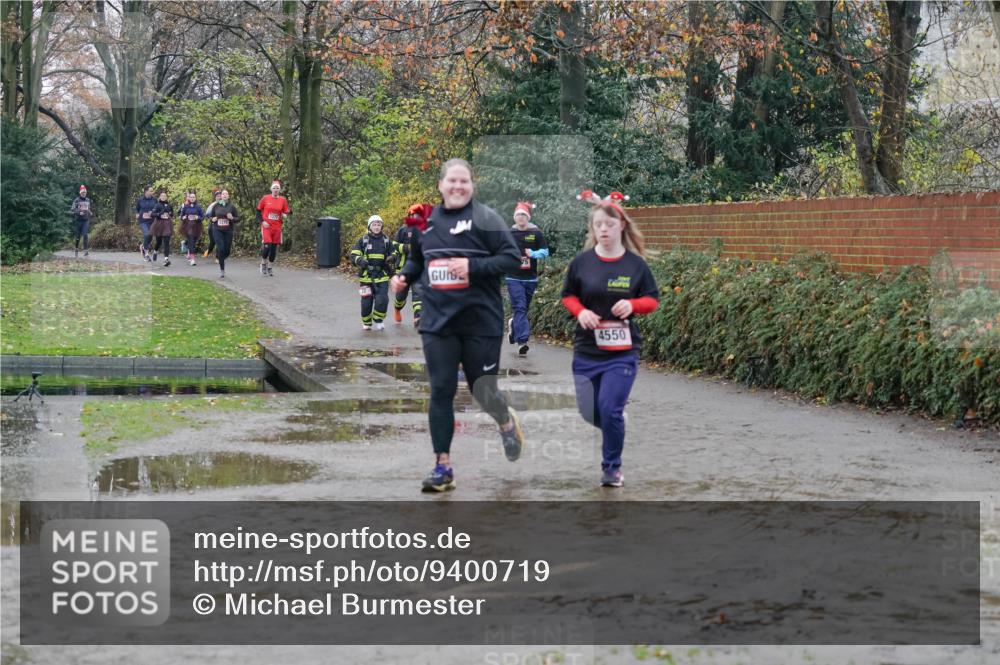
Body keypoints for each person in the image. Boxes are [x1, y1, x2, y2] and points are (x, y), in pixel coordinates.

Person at [390, 158, 526, 492]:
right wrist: (404, 278)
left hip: (480, 321)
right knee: (441, 390)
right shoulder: (426, 222)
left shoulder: (486, 218)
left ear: (472, 186)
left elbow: (511, 259)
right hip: (439, 322)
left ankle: (506, 422)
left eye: (464, 181)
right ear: (440, 185)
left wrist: (471, 267)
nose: (457, 186)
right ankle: (443, 466)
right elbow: (417, 259)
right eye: (452, 181)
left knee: (483, 390)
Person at [561, 190, 659, 488]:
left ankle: (611, 468)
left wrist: (633, 305)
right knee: (589, 411)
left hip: (622, 351)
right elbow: (568, 295)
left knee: (610, 408)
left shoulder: (635, 266)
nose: (603, 230)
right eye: (598, 225)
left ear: (621, 226)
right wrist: (580, 313)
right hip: (587, 350)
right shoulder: (582, 263)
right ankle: (615, 424)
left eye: (609, 224)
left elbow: (652, 299)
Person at [505, 201, 549, 356]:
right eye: (518, 215)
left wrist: (534, 254)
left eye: (524, 215)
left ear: (528, 217)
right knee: (520, 307)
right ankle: (522, 341)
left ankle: (513, 325)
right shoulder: (509, 233)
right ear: (515, 217)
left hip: (530, 278)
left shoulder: (536, 232)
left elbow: (545, 252)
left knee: (523, 309)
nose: (521, 218)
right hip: (513, 277)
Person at [350, 214, 400, 331]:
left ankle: (378, 319)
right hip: (365, 278)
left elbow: (395, 253)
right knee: (366, 302)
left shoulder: (386, 240)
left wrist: (392, 258)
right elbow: (353, 255)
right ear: (369, 226)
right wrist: (360, 260)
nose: (377, 227)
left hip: (381, 276)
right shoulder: (363, 240)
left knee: (382, 300)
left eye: (379, 224)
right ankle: (366, 322)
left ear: (381, 226)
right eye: (374, 224)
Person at [392, 203, 432, 326]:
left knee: (418, 292)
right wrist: (405, 248)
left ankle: (417, 318)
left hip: (420, 269)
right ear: (410, 215)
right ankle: (397, 309)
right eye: (415, 214)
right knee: (400, 295)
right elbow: (394, 244)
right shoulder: (403, 230)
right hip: (404, 267)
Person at [257, 179, 290, 276]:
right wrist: (263, 222)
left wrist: (285, 214)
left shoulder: (283, 200)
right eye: (274, 188)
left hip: (277, 227)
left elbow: (287, 210)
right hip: (267, 226)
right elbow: (258, 211)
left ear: (279, 190)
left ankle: (270, 267)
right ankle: (263, 263)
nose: (276, 189)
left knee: (274, 248)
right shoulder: (265, 198)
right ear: (271, 189)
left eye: (277, 188)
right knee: (267, 246)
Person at [210, 189, 238, 278]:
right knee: (221, 249)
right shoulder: (216, 206)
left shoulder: (232, 207)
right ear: (221, 196)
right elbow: (210, 216)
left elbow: (238, 219)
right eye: (223, 194)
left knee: (227, 251)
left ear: (228, 196)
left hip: (228, 230)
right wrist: (212, 219)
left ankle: (221, 257)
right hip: (217, 230)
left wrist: (232, 218)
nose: (225, 195)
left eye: (226, 194)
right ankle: (222, 270)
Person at [178, 191, 204, 266]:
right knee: (191, 241)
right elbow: (181, 216)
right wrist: (184, 217)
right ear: (189, 198)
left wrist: (197, 217)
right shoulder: (186, 206)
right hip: (188, 226)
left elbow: (202, 217)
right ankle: (192, 259)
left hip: (196, 226)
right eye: (191, 197)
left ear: (195, 198)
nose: (192, 198)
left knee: (193, 241)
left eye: (193, 197)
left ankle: (185, 243)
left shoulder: (198, 207)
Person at [150, 190, 175, 267]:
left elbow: (172, 213)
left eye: (165, 196)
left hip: (167, 224)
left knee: (166, 242)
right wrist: (159, 214)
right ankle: (155, 251)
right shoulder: (157, 205)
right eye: (162, 196)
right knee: (159, 242)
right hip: (159, 225)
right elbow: (152, 214)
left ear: (166, 197)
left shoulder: (169, 205)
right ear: (160, 197)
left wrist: (170, 214)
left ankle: (166, 259)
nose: (163, 197)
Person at [69, 185, 95, 257]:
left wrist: (90, 212)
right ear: (80, 193)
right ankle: (76, 248)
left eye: (85, 193)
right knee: (78, 236)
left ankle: (86, 251)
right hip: (78, 220)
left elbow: (88, 208)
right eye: (83, 193)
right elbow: (72, 209)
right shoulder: (76, 200)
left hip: (85, 220)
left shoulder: (88, 200)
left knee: (85, 234)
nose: (84, 194)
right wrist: (78, 212)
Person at [135, 186, 157, 261]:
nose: (152, 192)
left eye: (152, 191)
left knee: (150, 236)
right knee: (146, 234)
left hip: (152, 221)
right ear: (146, 191)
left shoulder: (154, 200)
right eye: (151, 191)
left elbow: (157, 208)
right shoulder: (140, 200)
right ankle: (146, 254)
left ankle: (143, 246)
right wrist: (137, 213)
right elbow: (137, 208)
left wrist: (153, 212)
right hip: (143, 221)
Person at [203, 189, 222, 259]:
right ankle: (208, 251)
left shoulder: (224, 204)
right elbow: (207, 215)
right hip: (213, 226)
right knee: (213, 242)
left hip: (221, 226)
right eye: (217, 196)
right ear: (215, 197)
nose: (219, 197)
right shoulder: (212, 205)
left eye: (220, 196)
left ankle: (218, 257)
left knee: (219, 241)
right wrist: (212, 218)